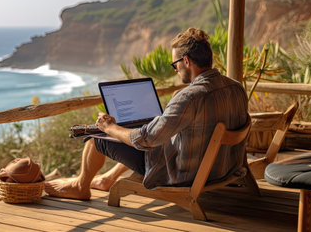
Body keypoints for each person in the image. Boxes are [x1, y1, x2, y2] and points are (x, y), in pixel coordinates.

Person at [45, 28, 249, 200]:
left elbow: (146, 139)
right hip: (223, 169)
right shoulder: (236, 88)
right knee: (139, 135)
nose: (175, 70)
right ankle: (107, 180)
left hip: (185, 175)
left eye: (175, 65)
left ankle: (81, 186)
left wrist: (110, 127)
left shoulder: (189, 97)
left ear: (186, 61)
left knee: (98, 138)